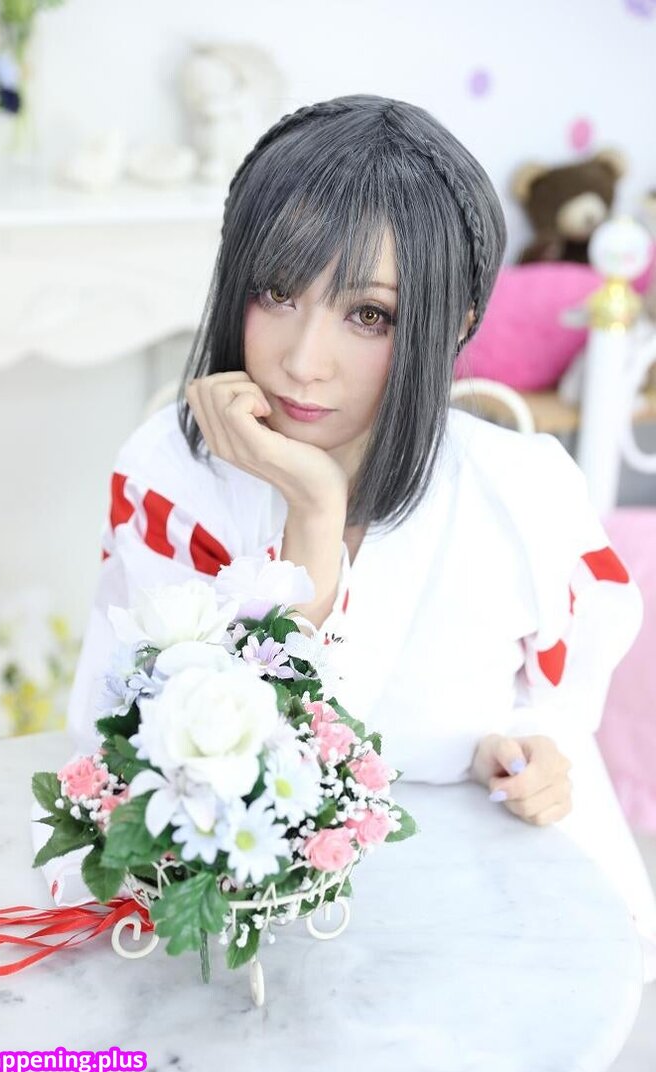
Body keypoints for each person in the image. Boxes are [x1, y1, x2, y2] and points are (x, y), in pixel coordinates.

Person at [34, 93, 656, 982]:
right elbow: (165, 740)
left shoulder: (522, 494)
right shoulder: (172, 479)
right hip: (221, 941)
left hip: (467, 927)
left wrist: (526, 749)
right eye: (276, 293)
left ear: (456, 322)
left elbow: (556, 702)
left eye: (369, 315)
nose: (302, 360)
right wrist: (314, 512)